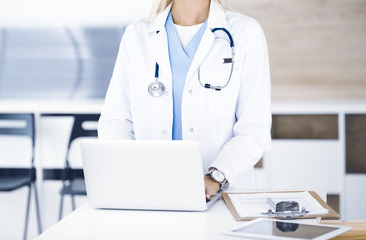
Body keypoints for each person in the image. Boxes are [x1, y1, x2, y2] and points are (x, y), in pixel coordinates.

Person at [98, 0, 271, 199]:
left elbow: (255, 128)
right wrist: (134, 171)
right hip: (150, 193)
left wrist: (216, 176)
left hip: (223, 197)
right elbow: (115, 121)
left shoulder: (245, 32)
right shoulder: (136, 35)